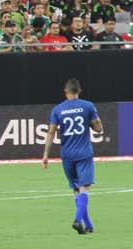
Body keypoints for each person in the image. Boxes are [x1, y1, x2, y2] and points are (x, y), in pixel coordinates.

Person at [41, 78, 103, 235]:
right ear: (79, 91)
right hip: (84, 153)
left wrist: (46, 154)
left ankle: (87, 224)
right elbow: (99, 128)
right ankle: (77, 219)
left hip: (67, 155)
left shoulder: (58, 110)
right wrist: (91, 122)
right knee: (85, 189)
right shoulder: (88, 106)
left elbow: (51, 132)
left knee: (76, 189)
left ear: (65, 92)